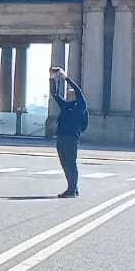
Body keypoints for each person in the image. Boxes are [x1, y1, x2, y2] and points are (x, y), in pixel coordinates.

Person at [50, 66, 87, 198]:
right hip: (61, 136)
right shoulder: (65, 105)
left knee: (71, 163)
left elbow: (78, 90)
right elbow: (54, 94)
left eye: (71, 93)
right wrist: (52, 77)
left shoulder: (81, 105)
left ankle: (72, 190)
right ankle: (72, 187)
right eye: (69, 93)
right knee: (64, 163)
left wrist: (65, 77)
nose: (70, 94)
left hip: (72, 137)